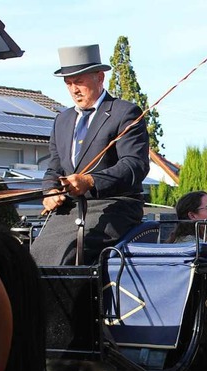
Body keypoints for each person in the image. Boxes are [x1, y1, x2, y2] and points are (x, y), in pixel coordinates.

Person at [31, 44, 149, 265]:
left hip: (114, 206)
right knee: (34, 256)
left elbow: (135, 164)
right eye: (68, 83)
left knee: (66, 255)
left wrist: (91, 181)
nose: (74, 89)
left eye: (79, 82)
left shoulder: (125, 112)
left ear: (100, 77)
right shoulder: (62, 121)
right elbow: (54, 167)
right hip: (70, 209)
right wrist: (49, 190)